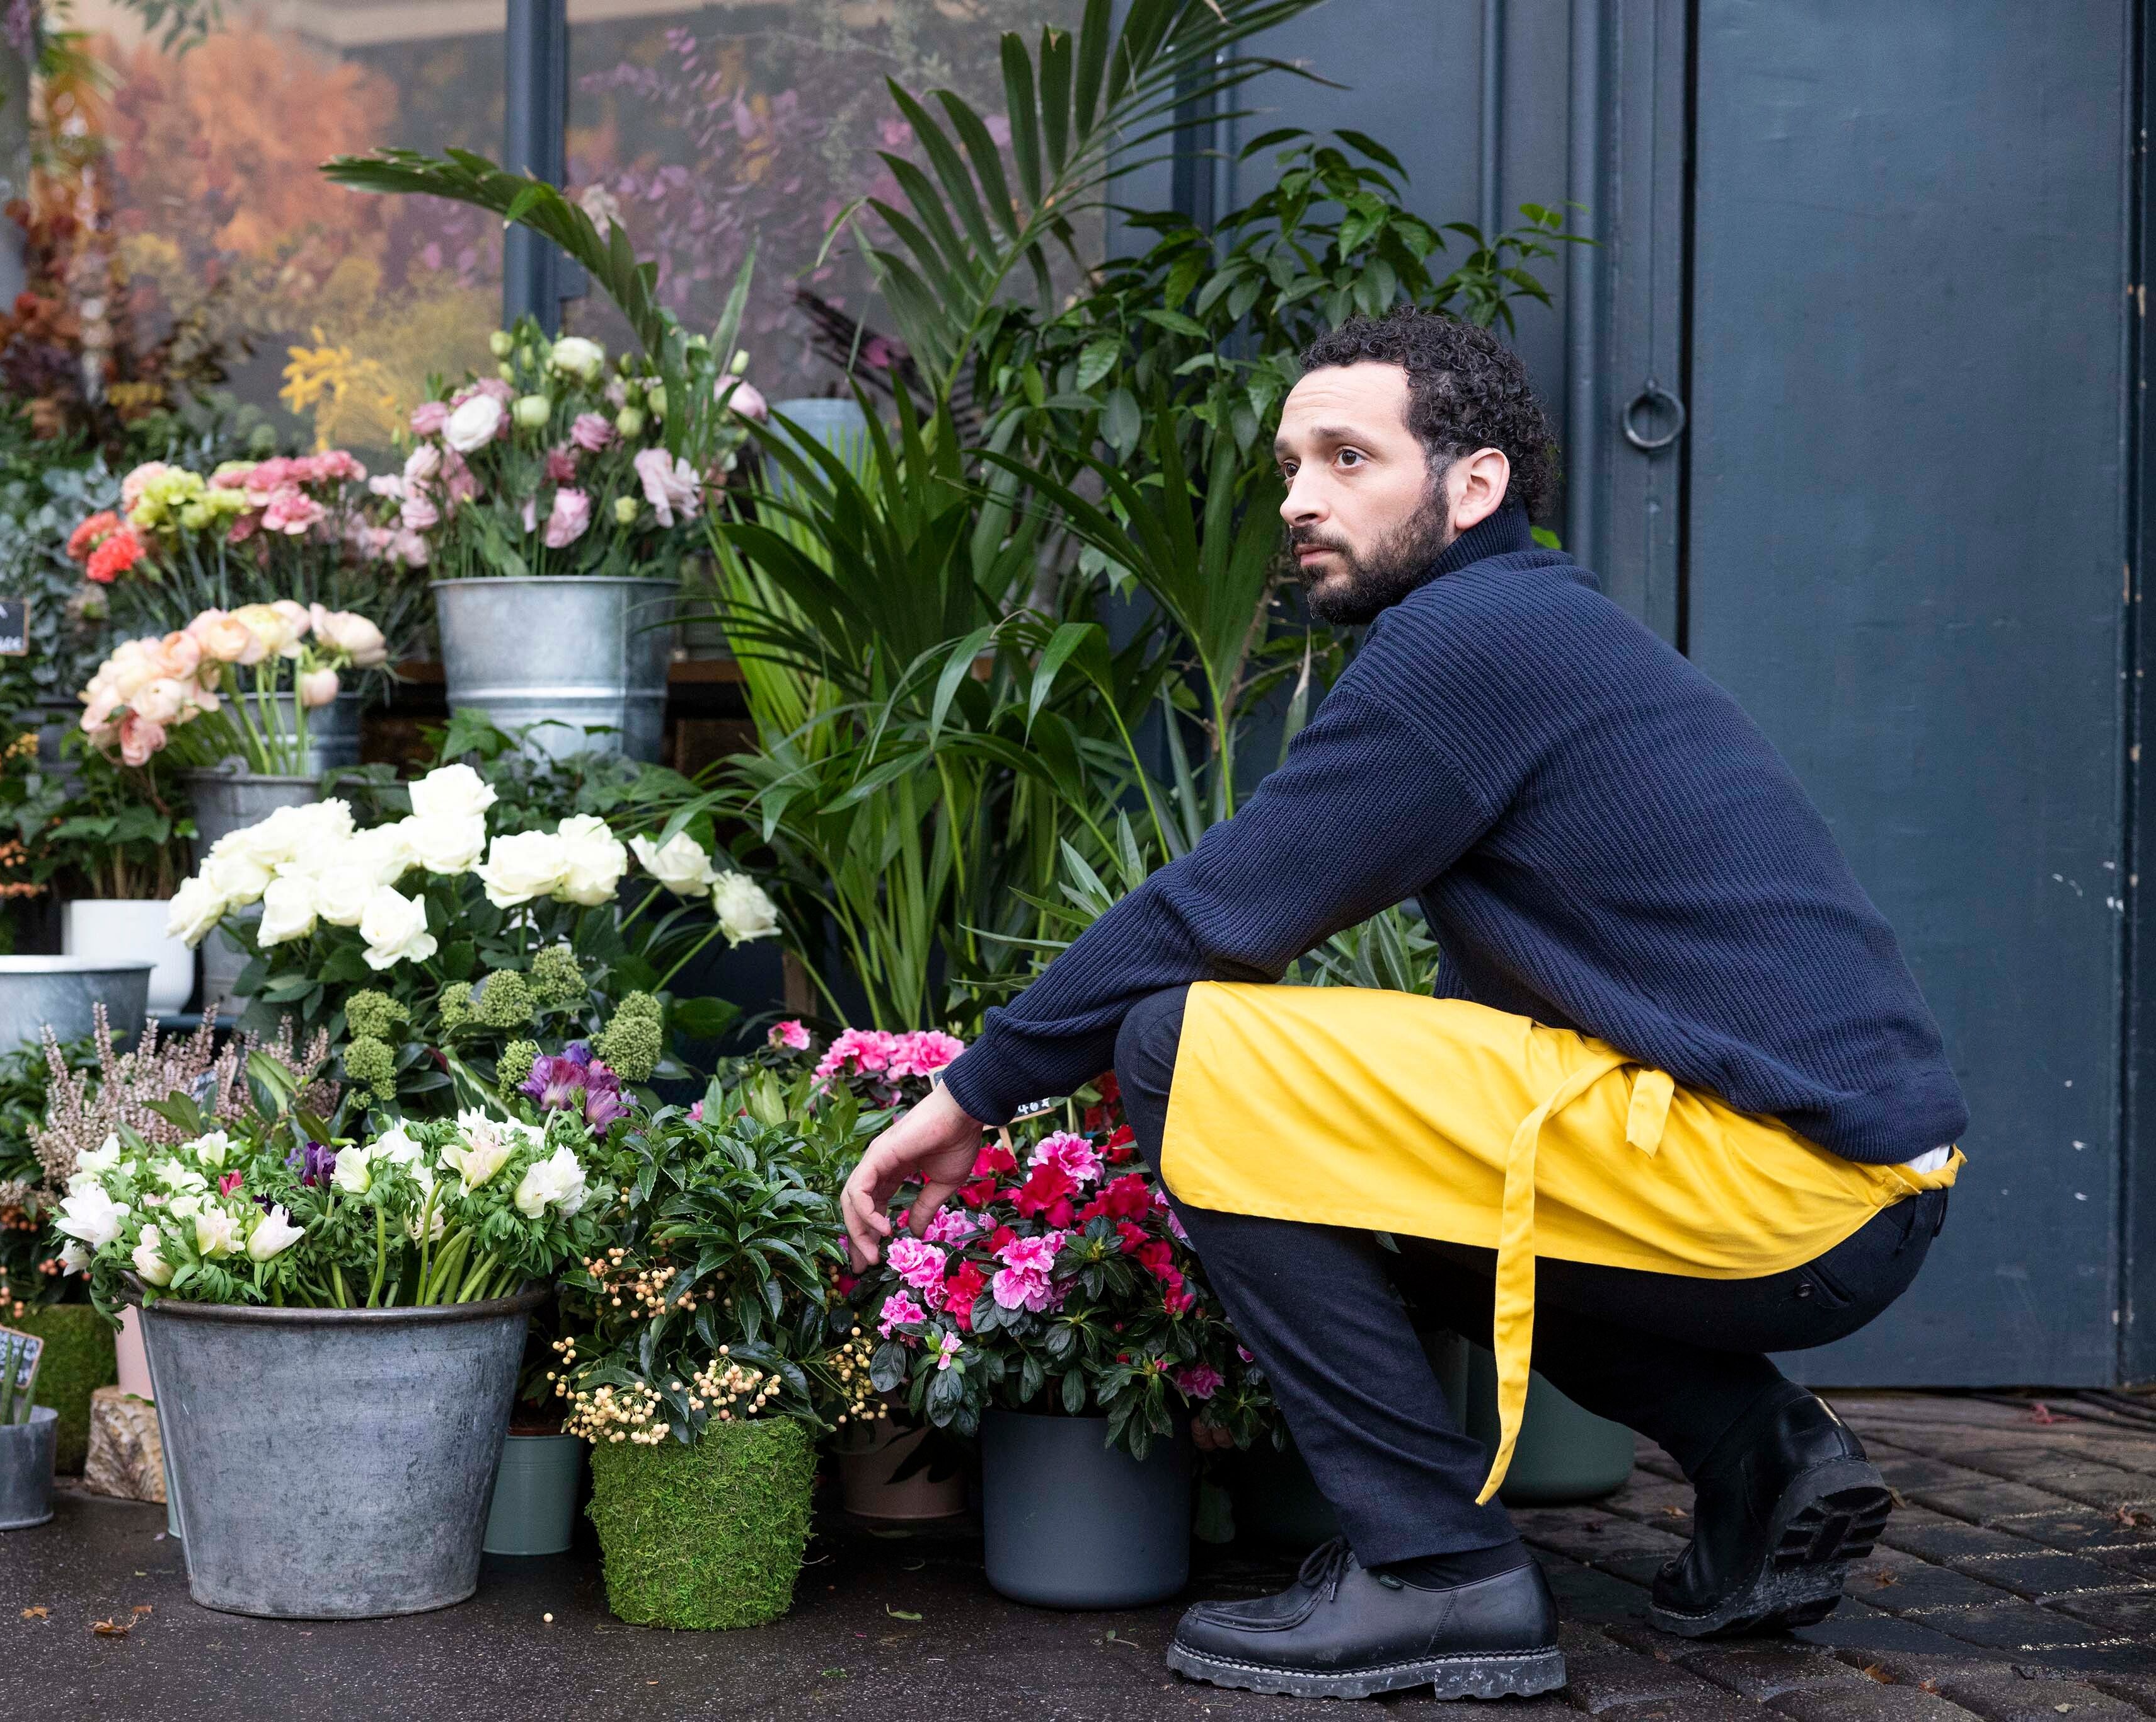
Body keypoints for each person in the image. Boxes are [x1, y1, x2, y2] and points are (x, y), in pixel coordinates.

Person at [839, 306, 1963, 1701]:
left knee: (1182, 1045)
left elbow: (1213, 912)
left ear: (1473, 484)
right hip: (1842, 1189)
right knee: (1399, 1196)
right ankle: (1759, 1457)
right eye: (1289, 467)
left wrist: (970, 1093)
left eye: (1347, 457)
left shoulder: (1469, 643)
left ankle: (1438, 1572)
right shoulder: (1532, 625)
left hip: (1789, 1186)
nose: (1298, 500)